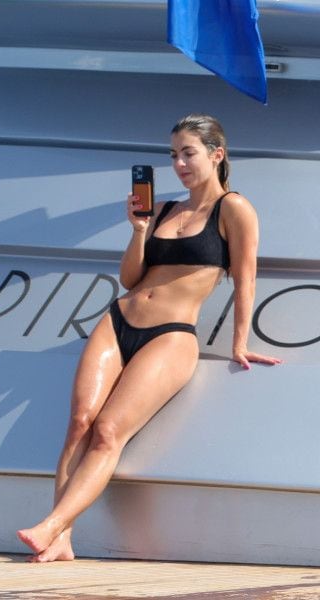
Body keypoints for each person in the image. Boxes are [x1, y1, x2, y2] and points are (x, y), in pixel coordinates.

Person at [16, 114, 281, 562]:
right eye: (174, 155)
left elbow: (246, 278)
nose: (179, 163)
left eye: (188, 153)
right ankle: (60, 538)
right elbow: (129, 278)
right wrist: (139, 232)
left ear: (217, 155)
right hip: (119, 321)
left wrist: (239, 341)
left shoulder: (234, 208)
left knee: (108, 431)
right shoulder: (161, 210)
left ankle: (53, 525)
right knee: (80, 422)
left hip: (172, 335)